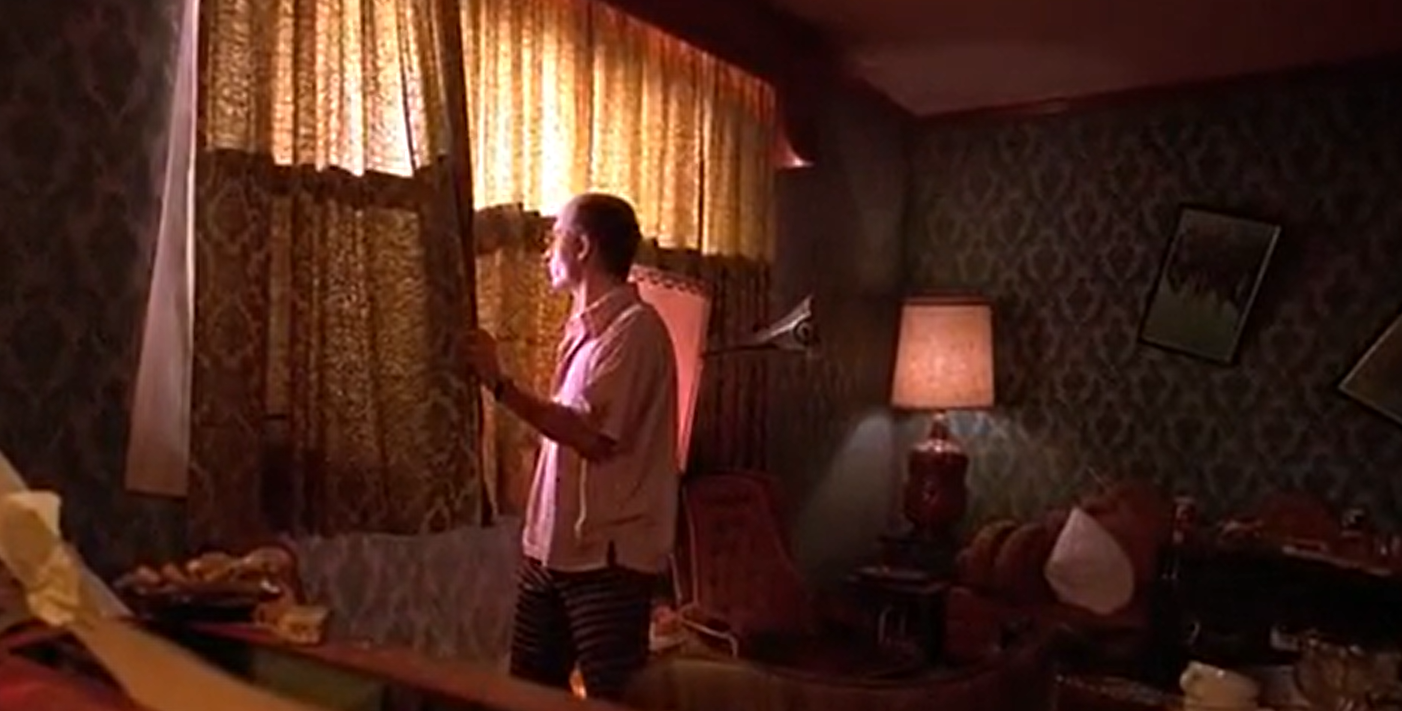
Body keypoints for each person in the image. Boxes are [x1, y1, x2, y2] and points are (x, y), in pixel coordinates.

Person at [464, 192, 678, 701]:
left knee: (612, 696)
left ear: (582, 247)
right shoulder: (585, 332)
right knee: (529, 691)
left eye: (554, 236)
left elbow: (590, 436)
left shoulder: (636, 331)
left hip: (606, 560)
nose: (546, 250)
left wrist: (499, 385)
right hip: (551, 552)